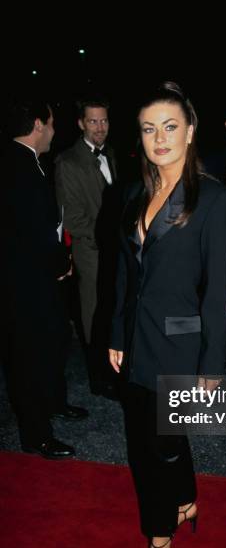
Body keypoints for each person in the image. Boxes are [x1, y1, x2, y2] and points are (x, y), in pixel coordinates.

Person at [109, 82, 226, 548]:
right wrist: (117, 333)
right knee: (158, 434)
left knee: (149, 447)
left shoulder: (213, 199)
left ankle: (159, 536)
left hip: (180, 344)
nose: (158, 138)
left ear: (190, 130)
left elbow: (217, 290)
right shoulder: (134, 193)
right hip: (136, 340)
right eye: (148, 129)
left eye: (169, 126)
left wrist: (211, 364)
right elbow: (125, 275)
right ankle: (185, 500)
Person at [0, 98, 87, 459]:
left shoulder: (27, 163)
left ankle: (53, 403)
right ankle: (36, 435)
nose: (53, 131)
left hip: (36, 278)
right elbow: (36, 231)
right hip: (24, 284)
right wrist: (59, 263)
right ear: (38, 124)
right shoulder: (17, 166)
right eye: (51, 124)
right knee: (29, 358)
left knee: (55, 339)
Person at [55, 98, 119, 399]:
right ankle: (99, 377)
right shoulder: (67, 161)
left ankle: (114, 370)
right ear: (81, 123)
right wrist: (106, 237)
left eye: (104, 121)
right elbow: (72, 218)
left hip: (115, 252)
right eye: (93, 121)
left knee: (114, 310)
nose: (100, 127)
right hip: (91, 252)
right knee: (93, 315)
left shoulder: (113, 155)